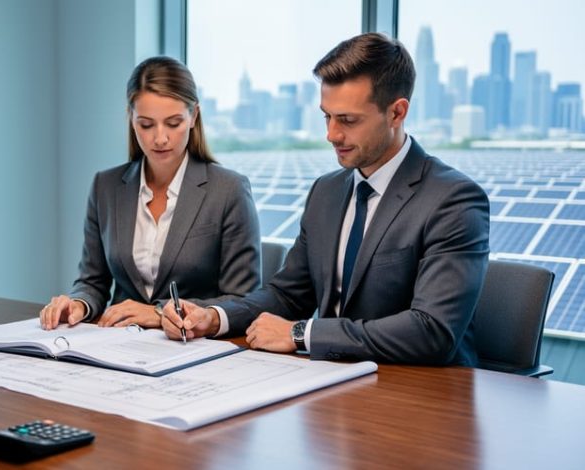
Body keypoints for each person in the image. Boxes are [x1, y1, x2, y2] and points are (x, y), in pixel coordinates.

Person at [162, 33, 490, 366]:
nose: (331, 134)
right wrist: (215, 317)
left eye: (348, 120)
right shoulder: (326, 192)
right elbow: (288, 295)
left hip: (420, 396)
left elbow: (431, 331)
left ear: (396, 113)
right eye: (327, 116)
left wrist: (302, 334)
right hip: (328, 384)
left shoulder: (453, 200)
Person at [40, 56, 261, 330]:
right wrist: (78, 304)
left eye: (173, 123)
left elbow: (243, 301)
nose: (160, 138)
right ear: (131, 119)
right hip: (117, 345)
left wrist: (158, 314)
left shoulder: (229, 191)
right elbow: (92, 282)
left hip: (192, 349)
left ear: (194, 116)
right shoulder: (105, 187)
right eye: (146, 124)